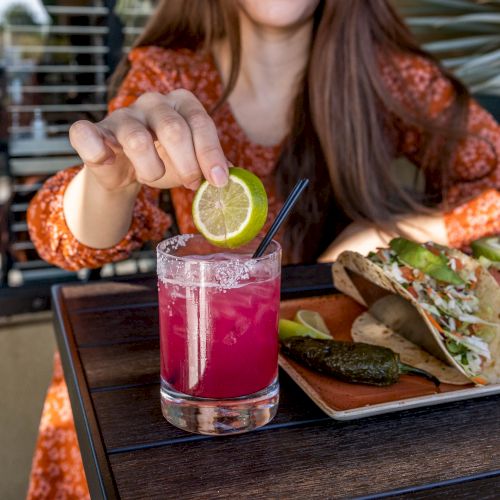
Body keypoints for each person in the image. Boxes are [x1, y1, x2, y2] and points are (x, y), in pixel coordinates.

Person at [27, 0, 499, 497]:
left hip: (322, 397)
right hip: (184, 379)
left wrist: (378, 232)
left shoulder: (389, 75)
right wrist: (109, 183)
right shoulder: (167, 75)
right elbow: (62, 240)